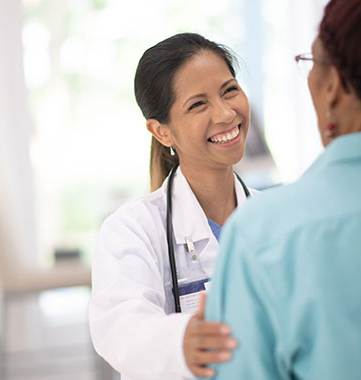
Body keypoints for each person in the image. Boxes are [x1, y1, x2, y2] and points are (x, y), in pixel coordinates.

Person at [205, 0, 361, 378]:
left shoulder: (264, 233)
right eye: (197, 104)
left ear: (335, 86)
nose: (223, 115)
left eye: (312, 62)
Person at [89, 33, 256, 380]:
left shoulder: (277, 216)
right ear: (162, 132)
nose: (226, 113)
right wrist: (183, 341)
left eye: (229, 90)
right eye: (198, 105)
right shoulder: (132, 229)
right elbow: (120, 325)